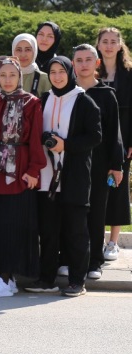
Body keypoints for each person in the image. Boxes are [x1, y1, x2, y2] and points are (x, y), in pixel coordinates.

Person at [25, 56, 101, 297]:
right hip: (47, 176)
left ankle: (77, 281)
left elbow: (95, 137)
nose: (57, 76)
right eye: (53, 72)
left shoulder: (84, 101)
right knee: (48, 231)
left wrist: (65, 145)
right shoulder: (44, 99)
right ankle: (46, 279)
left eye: (62, 71)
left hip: (74, 177)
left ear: (70, 73)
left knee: (76, 232)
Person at [0, 56, 44, 298]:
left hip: (20, 168)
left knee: (13, 223)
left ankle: (6, 278)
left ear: (19, 77)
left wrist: (34, 169)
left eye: (12, 75)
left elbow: (36, 138)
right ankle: (6, 278)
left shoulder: (31, 103)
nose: (7, 80)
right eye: (2, 75)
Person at [72, 44, 124, 280]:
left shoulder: (107, 94)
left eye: (88, 60)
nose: (83, 64)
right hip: (72, 163)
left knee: (96, 213)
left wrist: (116, 165)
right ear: (73, 64)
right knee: (72, 213)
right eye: (79, 60)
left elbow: (114, 132)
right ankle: (69, 259)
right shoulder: (68, 92)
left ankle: (95, 261)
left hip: (100, 164)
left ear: (97, 63)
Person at [97, 26, 132, 260]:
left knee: (117, 188)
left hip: (123, 140)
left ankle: (113, 242)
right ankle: (96, 238)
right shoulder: (91, 70)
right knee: (96, 190)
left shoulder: (129, 73)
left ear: (120, 45)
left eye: (113, 41)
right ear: (98, 45)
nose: (109, 46)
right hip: (96, 140)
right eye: (105, 41)